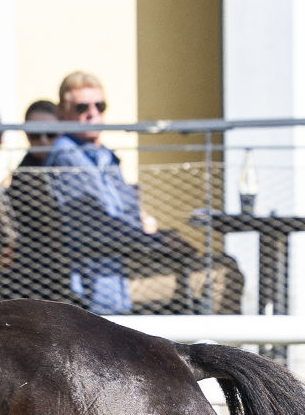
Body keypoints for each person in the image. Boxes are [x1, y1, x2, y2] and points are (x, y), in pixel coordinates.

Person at [40, 70, 241, 314]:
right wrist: (159, 240)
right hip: (105, 274)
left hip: (131, 258)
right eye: (82, 107)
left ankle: (211, 346)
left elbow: (126, 214)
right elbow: (97, 229)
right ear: (62, 113)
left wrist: (155, 232)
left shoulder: (104, 155)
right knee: (221, 273)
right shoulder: (67, 157)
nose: (92, 113)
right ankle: (225, 351)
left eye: (99, 106)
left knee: (213, 263)